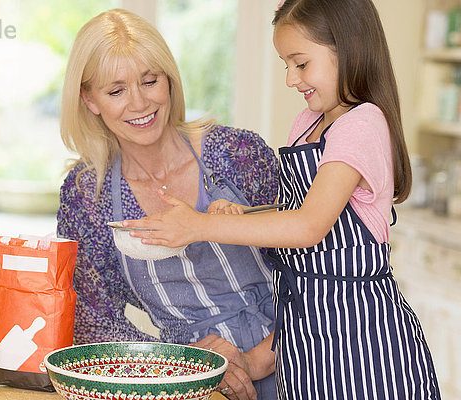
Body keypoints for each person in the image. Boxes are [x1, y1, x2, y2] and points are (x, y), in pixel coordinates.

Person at [125, 0, 441, 398]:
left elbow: (309, 227)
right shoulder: (308, 122)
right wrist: (244, 214)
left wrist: (199, 224)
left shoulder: (362, 124)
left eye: (301, 63)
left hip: (361, 340)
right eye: (285, 64)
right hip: (306, 336)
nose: (291, 79)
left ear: (349, 48)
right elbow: (301, 209)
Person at [56, 9, 280, 399]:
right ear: (89, 99)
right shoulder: (87, 195)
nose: (139, 103)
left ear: (170, 80)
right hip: (185, 382)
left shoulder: (237, 154)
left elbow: (318, 269)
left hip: (301, 357)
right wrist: (183, 362)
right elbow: (93, 318)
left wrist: (262, 357)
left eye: (150, 81)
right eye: (116, 91)